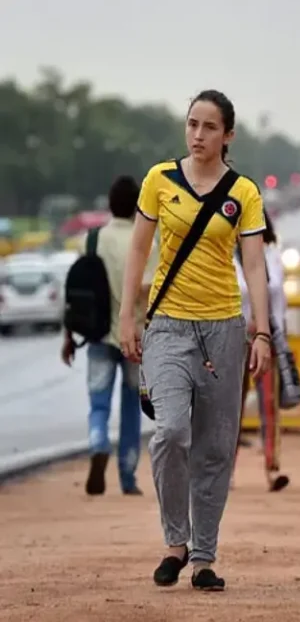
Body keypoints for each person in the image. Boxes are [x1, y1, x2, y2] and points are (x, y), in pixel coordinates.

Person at [118, 89, 272, 592]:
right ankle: (174, 542)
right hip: (167, 327)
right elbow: (139, 249)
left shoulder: (244, 192)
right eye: (192, 125)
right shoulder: (159, 180)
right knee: (170, 434)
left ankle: (204, 556)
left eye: (209, 127)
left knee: (214, 448)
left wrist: (262, 332)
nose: (198, 135)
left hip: (223, 328)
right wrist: (127, 317)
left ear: (228, 135)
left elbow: (254, 265)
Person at [61, 175, 159, 497]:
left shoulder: (92, 240)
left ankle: (97, 442)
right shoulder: (147, 241)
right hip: (138, 337)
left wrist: (68, 336)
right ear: (137, 206)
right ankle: (127, 475)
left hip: (99, 335)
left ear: (109, 203)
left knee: (99, 402)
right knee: (132, 405)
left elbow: (76, 293)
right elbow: (154, 290)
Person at [233, 211, 290, 492]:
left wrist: (272, 330)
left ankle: (272, 467)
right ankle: (225, 471)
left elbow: (279, 296)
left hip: (265, 339)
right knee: (230, 408)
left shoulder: (270, 253)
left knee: (268, 404)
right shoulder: (226, 254)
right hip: (232, 341)